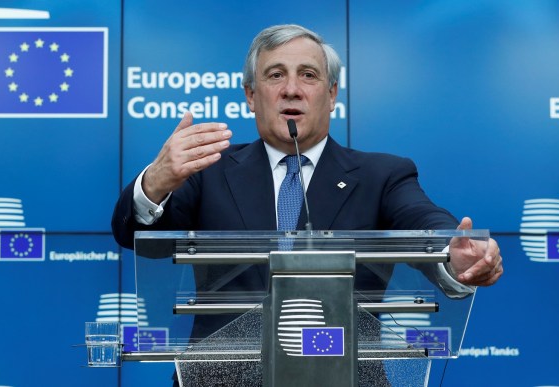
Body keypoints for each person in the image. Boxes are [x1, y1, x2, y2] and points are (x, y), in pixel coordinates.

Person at [112, 23, 503, 385]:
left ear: (332, 94)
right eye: (275, 74)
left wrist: (455, 253)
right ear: (251, 95)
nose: (292, 89)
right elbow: (135, 235)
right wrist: (157, 180)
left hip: (344, 376)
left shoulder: (382, 175)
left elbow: (424, 220)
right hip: (221, 378)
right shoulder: (207, 172)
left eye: (309, 75)